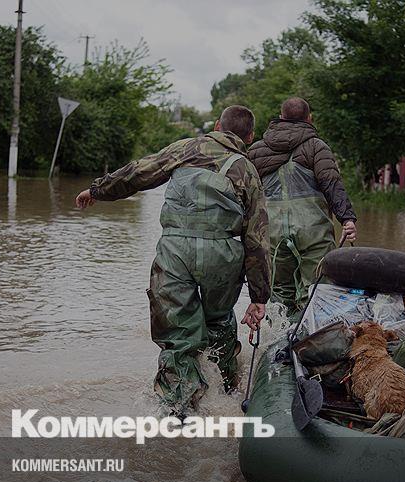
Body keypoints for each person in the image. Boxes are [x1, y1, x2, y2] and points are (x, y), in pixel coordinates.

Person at [75, 106, 270, 416]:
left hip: (175, 251)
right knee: (219, 322)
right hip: (222, 255)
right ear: (250, 137)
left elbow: (139, 172)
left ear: (217, 126)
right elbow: (257, 239)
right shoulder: (247, 169)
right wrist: (259, 297)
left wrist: (98, 190)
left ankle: (178, 411)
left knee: (178, 334)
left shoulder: (184, 148)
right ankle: (226, 392)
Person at [247, 97, 357, 316]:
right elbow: (332, 184)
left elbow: (246, 194)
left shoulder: (257, 150)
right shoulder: (317, 147)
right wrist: (347, 219)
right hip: (313, 233)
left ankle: (279, 334)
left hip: (273, 233)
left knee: (279, 295)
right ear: (309, 118)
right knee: (317, 292)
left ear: (281, 118)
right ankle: (310, 333)